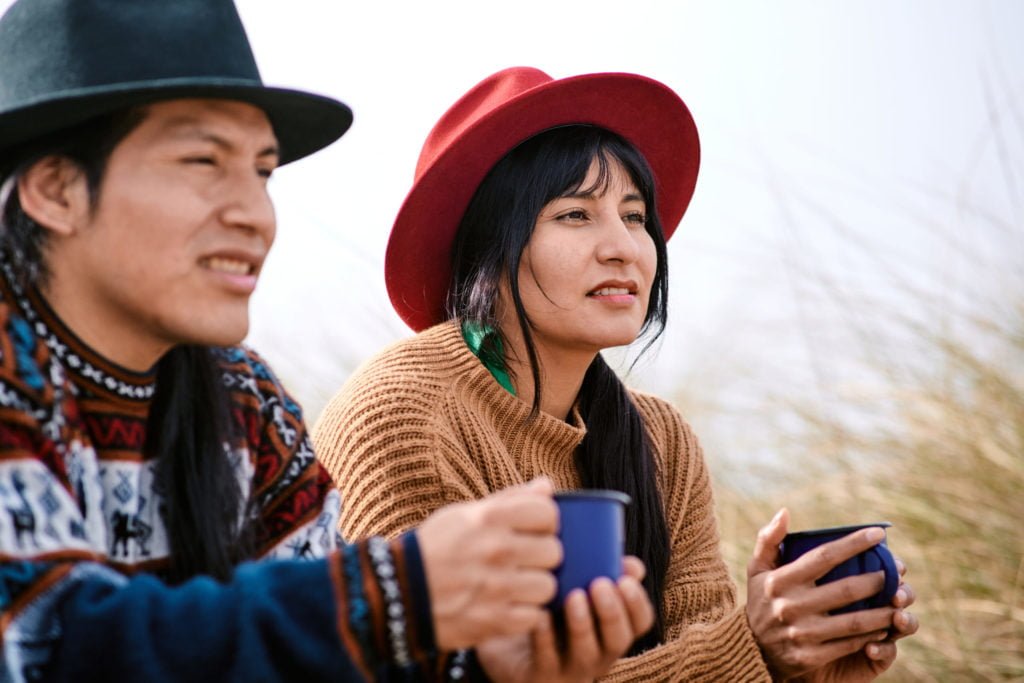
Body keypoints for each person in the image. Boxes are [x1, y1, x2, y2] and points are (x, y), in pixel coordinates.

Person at [0, 3, 654, 681]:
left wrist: (478, 667)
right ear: (56, 189)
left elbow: (325, 634)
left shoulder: (242, 399)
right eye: (202, 160)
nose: (254, 214)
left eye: (262, 172)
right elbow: (45, 645)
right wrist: (400, 591)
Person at [313, 67, 920, 681]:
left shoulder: (663, 441)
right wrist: (750, 650)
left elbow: (703, 653)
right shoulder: (402, 415)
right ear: (489, 249)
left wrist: (797, 666)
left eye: (634, 216)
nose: (624, 247)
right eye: (575, 215)